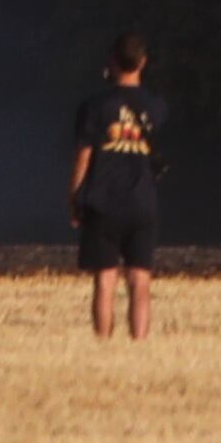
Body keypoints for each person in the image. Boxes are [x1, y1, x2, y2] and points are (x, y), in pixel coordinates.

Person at [68, 32, 168, 340]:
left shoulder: (94, 107)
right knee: (140, 280)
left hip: (103, 201)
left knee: (105, 281)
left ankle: (104, 346)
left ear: (112, 61)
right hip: (142, 201)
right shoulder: (157, 107)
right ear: (143, 62)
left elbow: (83, 156)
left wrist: (74, 197)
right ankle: (138, 345)